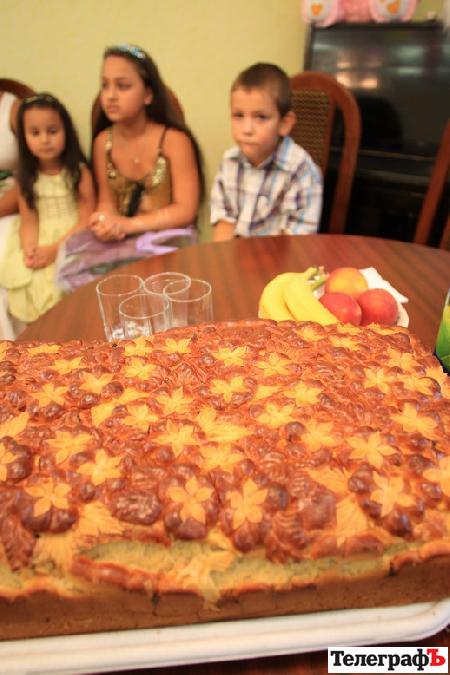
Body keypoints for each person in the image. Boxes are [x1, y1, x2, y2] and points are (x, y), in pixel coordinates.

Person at [89, 43, 203, 242]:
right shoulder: (102, 142)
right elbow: (106, 203)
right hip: (120, 241)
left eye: (122, 86)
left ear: (148, 94)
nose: (110, 96)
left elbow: (185, 210)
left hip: (169, 240)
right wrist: (104, 221)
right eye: (105, 85)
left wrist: (131, 225)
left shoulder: (174, 141)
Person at [0, 93, 95, 330]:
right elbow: (29, 220)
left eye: (52, 131)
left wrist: (54, 249)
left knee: (61, 282)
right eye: (35, 133)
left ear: (66, 132)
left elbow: (85, 221)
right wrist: (30, 248)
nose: (44, 140)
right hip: (40, 236)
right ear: (24, 137)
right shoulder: (26, 178)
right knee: (25, 277)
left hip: (72, 237)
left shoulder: (79, 173)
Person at [211, 63, 323, 241]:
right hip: (234, 253)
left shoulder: (301, 171)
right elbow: (224, 225)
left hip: (279, 255)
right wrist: (222, 257)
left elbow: (294, 243)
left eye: (261, 117)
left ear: (285, 124)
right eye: (238, 115)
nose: (246, 129)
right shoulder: (229, 161)